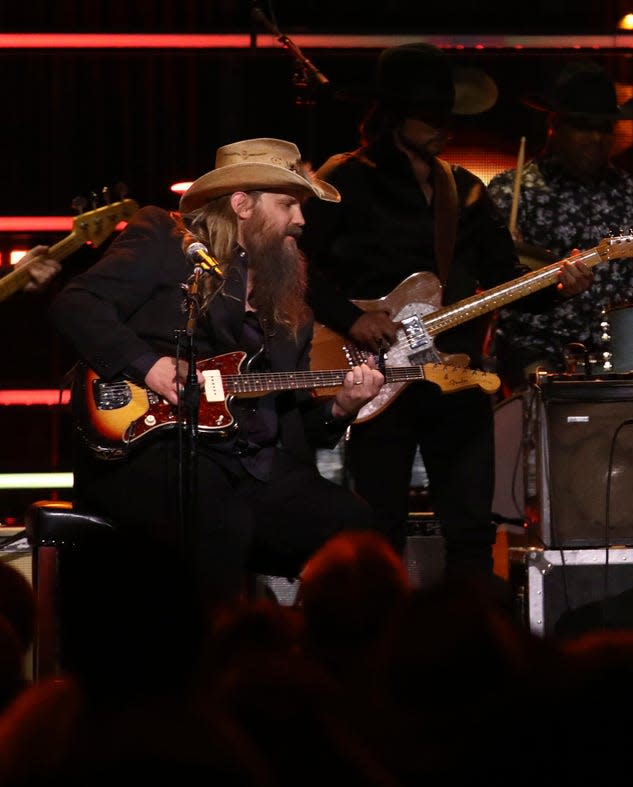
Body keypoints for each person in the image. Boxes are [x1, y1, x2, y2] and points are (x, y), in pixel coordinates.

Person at [48, 137, 385, 611]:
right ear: (242, 204)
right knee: (220, 524)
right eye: (288, 204)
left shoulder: (295, 309)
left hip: (252, 468)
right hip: (153, 449)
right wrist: (150, 365)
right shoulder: (165, 241)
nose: (301, 220)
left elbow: (292, 421)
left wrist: (341, 407)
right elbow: (76, 304)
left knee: (357, 531)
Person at [300, 43, 591, 585]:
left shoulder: (465, 189)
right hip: (377, 372)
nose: (443, 128)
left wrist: (559, 288)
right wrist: (349, 318)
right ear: (391, 115)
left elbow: (505, 282)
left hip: (453, 376)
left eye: (447, 116)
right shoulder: (345, 180)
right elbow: (295, 263)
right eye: (429, 116)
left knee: (472, 530)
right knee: (378, 526)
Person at [486, 57, 633, 390]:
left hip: (622, 356)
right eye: (583, 126)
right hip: (536, 353)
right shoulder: (512, 193)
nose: (595, 138)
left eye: (604, 127)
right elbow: (491, 286)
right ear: (556, 126)